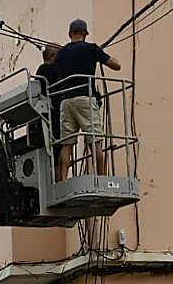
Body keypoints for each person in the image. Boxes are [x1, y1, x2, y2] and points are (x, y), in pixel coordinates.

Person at [53, 19, 121, 180]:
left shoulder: (60, 54)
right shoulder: (91, 48)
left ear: (70, 34)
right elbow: (116, 65)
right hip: (85, 98)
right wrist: (99, 55)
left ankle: (62, 180)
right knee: (95, 142)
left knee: (66, 145)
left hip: (66, 101)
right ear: (84, 34)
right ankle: (103, 179)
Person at [34, 44, 63, 179]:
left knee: (56, 153)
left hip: (47, 117)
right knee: (59, 151)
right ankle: (60, 180)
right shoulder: (49, 70)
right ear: (53, 56)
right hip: (54, 116)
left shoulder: (41, 71)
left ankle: (59, 180)